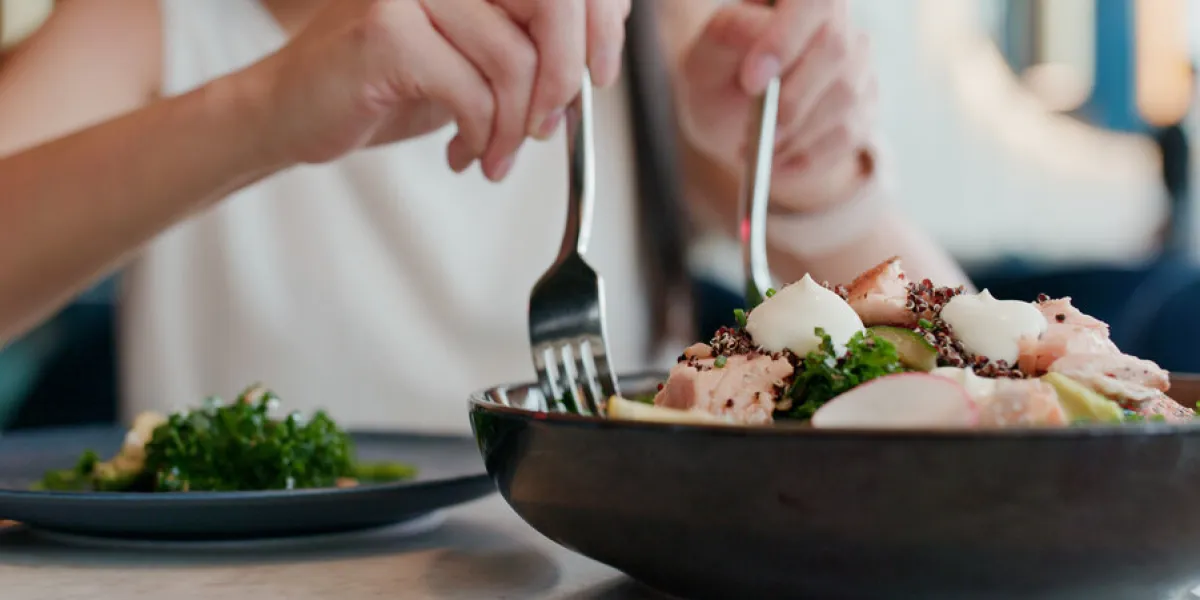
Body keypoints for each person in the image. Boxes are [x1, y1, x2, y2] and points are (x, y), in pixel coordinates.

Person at [0, 0, 968, 432]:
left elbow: (974, 376)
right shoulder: (147, 20)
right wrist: (265, 108)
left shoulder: (656, 25)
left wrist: (816, 179)